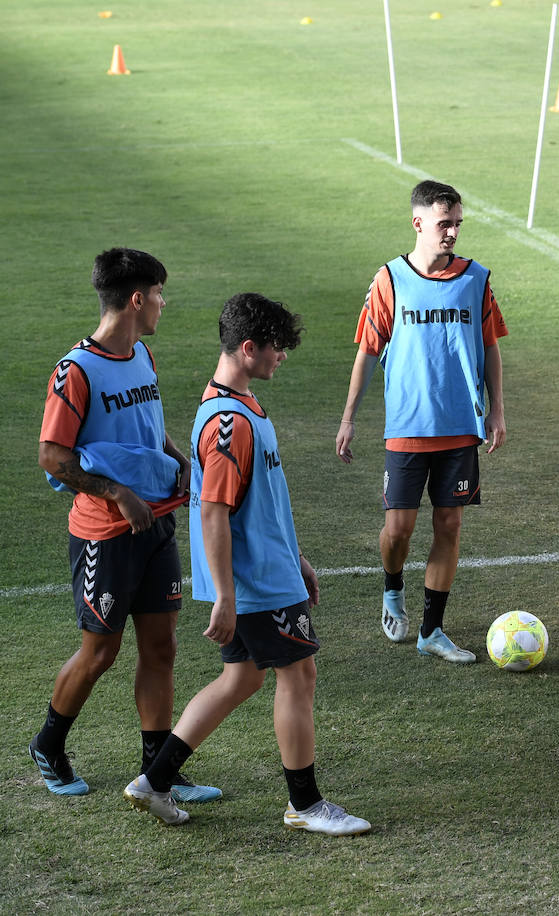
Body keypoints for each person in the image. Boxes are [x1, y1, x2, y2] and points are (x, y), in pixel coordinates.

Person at [125, 293, 370, 835]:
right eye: (276, 348)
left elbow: (263, 505)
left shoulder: (240, 407)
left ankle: (154, 780)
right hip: (256, 582)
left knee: (240, 679)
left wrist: (298, 557)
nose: (282, 356)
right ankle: (304, 805)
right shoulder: (230, 424)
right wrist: (230, 596)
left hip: (267, 571)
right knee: (298, 674)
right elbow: (213, 513)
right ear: (247, 347)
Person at [31, 248, 220, 804]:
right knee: (100, 652)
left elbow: (145, 424)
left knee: (161, 649)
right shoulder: (76, 371)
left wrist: (176, 460)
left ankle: (158, 771)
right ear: (137, 299)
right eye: (160, 294)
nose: (164, 304)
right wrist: (118, 493)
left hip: (156, 526)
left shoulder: (143, 354)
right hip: (104, 534)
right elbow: (51, 454)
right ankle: (48, 744)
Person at [336, 180, 508, 663]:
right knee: (399, 530)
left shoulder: (476, 279)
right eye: (443, 224)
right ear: (418, 224)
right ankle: (393, 589)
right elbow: (368, 351)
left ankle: (432, 630)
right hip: (408, 427)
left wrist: (496, 408)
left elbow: (491, 344)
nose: (451, 232)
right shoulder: (390, 279)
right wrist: (349, 418)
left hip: (460, 426)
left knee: (449, 523)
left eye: (456, 223)